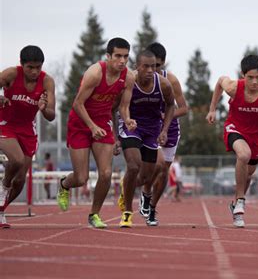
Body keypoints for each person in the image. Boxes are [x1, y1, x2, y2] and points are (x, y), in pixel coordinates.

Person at [56, 37, 137, 229]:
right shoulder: (95, 73)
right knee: (81, 178)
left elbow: (124, 107)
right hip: (80, 122)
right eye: (118, 56)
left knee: (106, 173)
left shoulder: (129, 77)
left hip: (103, 121)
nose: (122, 61)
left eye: (126, 56)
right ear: (108, 56)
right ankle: (65, 184)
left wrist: (127, 120)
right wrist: (91, 126)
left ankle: (94, 214)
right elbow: (77, 104)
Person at [206, 54, 258, 227]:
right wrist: (212, 110)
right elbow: (220, 81)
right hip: (235, 127)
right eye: (250, 77)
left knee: (248, 173)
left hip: (256, 134)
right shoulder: (233, 87)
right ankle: (240, 200)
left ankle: (235, 204)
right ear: (243, 75)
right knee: (243, 155)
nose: (255, 82)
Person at [116, 50, 175, 228]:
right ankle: (127, 212)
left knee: (147, 175)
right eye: (146, 66)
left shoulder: (163, 84)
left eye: (153, 66)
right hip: (132, 127)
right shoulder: (129, 81)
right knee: (133, 166)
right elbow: (122, 106)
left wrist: (164, 130)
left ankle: (125, 186)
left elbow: (171, 105)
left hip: (152, 130)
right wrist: (127, 120)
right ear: (137, 67)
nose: (150, 70)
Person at [0, 45, 56, 228]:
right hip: (6, 124)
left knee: (20, 180)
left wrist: (43, 108)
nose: (34, 71)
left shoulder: (47, 81)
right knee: (15, 160)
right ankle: (2, 189)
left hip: (28, 130)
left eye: (38, 67)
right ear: (21, 64)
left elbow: (51, 115)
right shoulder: (11, 75)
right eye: (30, 67)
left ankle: (1, 211)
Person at [137, 42, 188, 226]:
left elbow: (183, 108)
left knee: (164, 171)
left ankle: (151, 207)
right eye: (150, 66)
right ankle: (145, 192)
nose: (153, 70)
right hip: (150, 128)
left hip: (171, 129)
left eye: (157, 66)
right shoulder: (136, 79)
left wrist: (167, 114)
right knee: (155, 166)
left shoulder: (170, 81)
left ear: (163, 64)